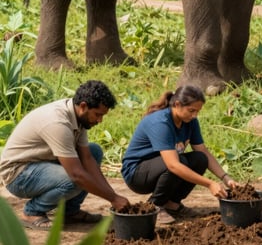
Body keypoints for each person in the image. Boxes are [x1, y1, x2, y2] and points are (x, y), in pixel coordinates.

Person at [0, 80, 130, 230]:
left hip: (40, 163)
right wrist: (113, 199)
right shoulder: (58, 123)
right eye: (98, 115)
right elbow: (76, 174)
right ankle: (32, 212)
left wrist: (113, 197)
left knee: (94, 152)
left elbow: (87, 159)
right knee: (74, 179)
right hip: (18, 174)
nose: (100, 120)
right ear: (83, 106)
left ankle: (70, 212)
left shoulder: (77, 117)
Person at [121, 85, 238, 224]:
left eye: (197, 111)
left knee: (200, 159)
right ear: (177, 104)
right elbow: (173, 165)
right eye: (191, 110)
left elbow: (203, 151)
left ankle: (172, 204)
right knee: (179, 162)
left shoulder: (190, 121)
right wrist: (210, 184)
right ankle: (155, 206)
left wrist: (225, 178)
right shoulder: (161, 122)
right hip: (137, 173)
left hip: (162, 166)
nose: (194, 115)